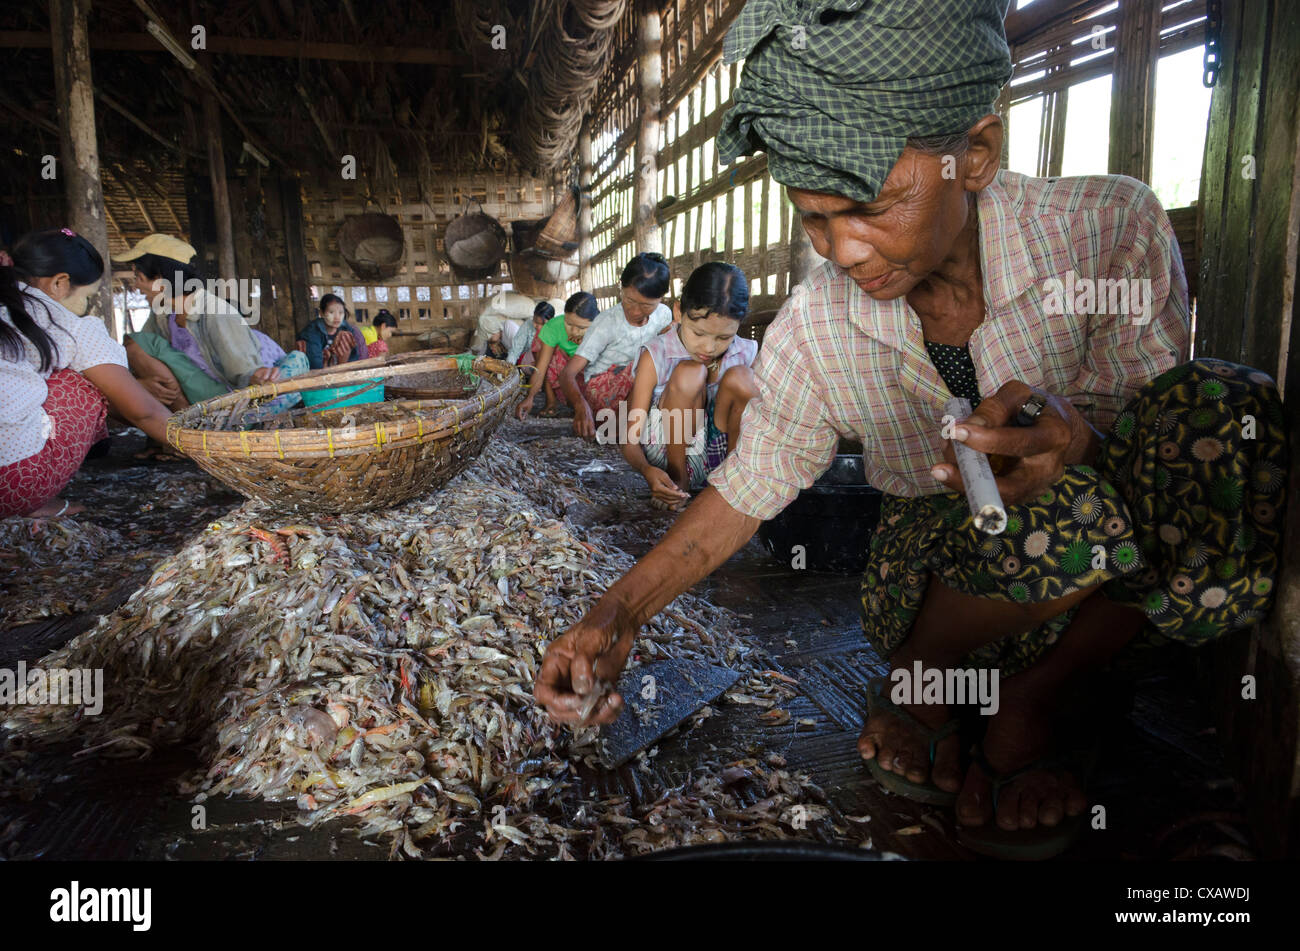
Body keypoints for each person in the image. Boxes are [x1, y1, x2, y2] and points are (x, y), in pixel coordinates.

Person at [533, 0, 1286, 860]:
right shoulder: (818, 322)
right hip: (934, 582)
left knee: (1229, 415)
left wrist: (1081, 447)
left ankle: (1035, 701)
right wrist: (617, 614)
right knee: (1067, 526)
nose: (844, 251)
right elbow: (750, 481)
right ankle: (925, 681)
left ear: (975, 154)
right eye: (815, 219)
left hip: (1106, 600)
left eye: (874, 206)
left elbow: (1160, 468)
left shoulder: (1109, 232)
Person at [0, 229, 176, 518]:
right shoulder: (67, 323)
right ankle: (32, 498)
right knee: (80, 380)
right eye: (87, 297)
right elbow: (143, 412)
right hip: (11, 483)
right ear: (59, 283)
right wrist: (207, 448)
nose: (86, 307)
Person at [622, 262, 759, 510]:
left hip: (718, 455)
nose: (708, 347)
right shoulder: (657, 353)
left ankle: (732, 484)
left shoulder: (746, 352)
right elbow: (630, 438)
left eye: (723, 338)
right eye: (699, 333)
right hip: (665, 449)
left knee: (744, 378)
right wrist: (646, 470)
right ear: (678, 312)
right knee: (690, 372)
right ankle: (679, 481)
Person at [120, 234, 308, 412]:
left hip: (226, 399)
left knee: (138, 344)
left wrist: (256, 376)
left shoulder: (216, 312)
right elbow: (137, 354)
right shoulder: (162, 314)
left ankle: (205, 426)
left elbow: (244, 372)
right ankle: (182, 426)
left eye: (139, 277)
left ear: (160, 279)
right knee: (136, 343)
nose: (135, 286)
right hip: (193, 395)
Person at [561, 253, 673, 439]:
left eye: (646, 306)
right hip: (602, 396)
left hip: (638, 391)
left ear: (661, 298)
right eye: (629, 300)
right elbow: (568, 374)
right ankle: (625, 431)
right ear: (621, 286)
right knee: (645, 366)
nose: (636, 311)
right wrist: (581, 406)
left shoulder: (663, 315)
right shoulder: (607, 322)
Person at [515, 292, 598, 420]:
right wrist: (530, 397)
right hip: (565, 376)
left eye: (581, 327)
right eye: (569, 324)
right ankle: (551, 401)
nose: (574, 332)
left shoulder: (602, 327)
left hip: (592, 373)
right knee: (551, 353)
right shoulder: (554, 327)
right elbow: (541, 369)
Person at [297, 294, 369, 370]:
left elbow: (354, 357)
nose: (337, 317)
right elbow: (315, 363)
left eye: (341, 313)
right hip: (318, 373)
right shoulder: (312, 331)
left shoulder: (347, 329)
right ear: (321, 313)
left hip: (341, 370)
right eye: (331, 312)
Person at [505, 300, 555, 367]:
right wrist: (508, 367)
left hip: (542, 362)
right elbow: (515, 350)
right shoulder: (529, 324)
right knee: (508, 324)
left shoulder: (554, 329)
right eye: (535, 322)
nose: (538, 327)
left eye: (542, 324)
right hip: (526, 356)